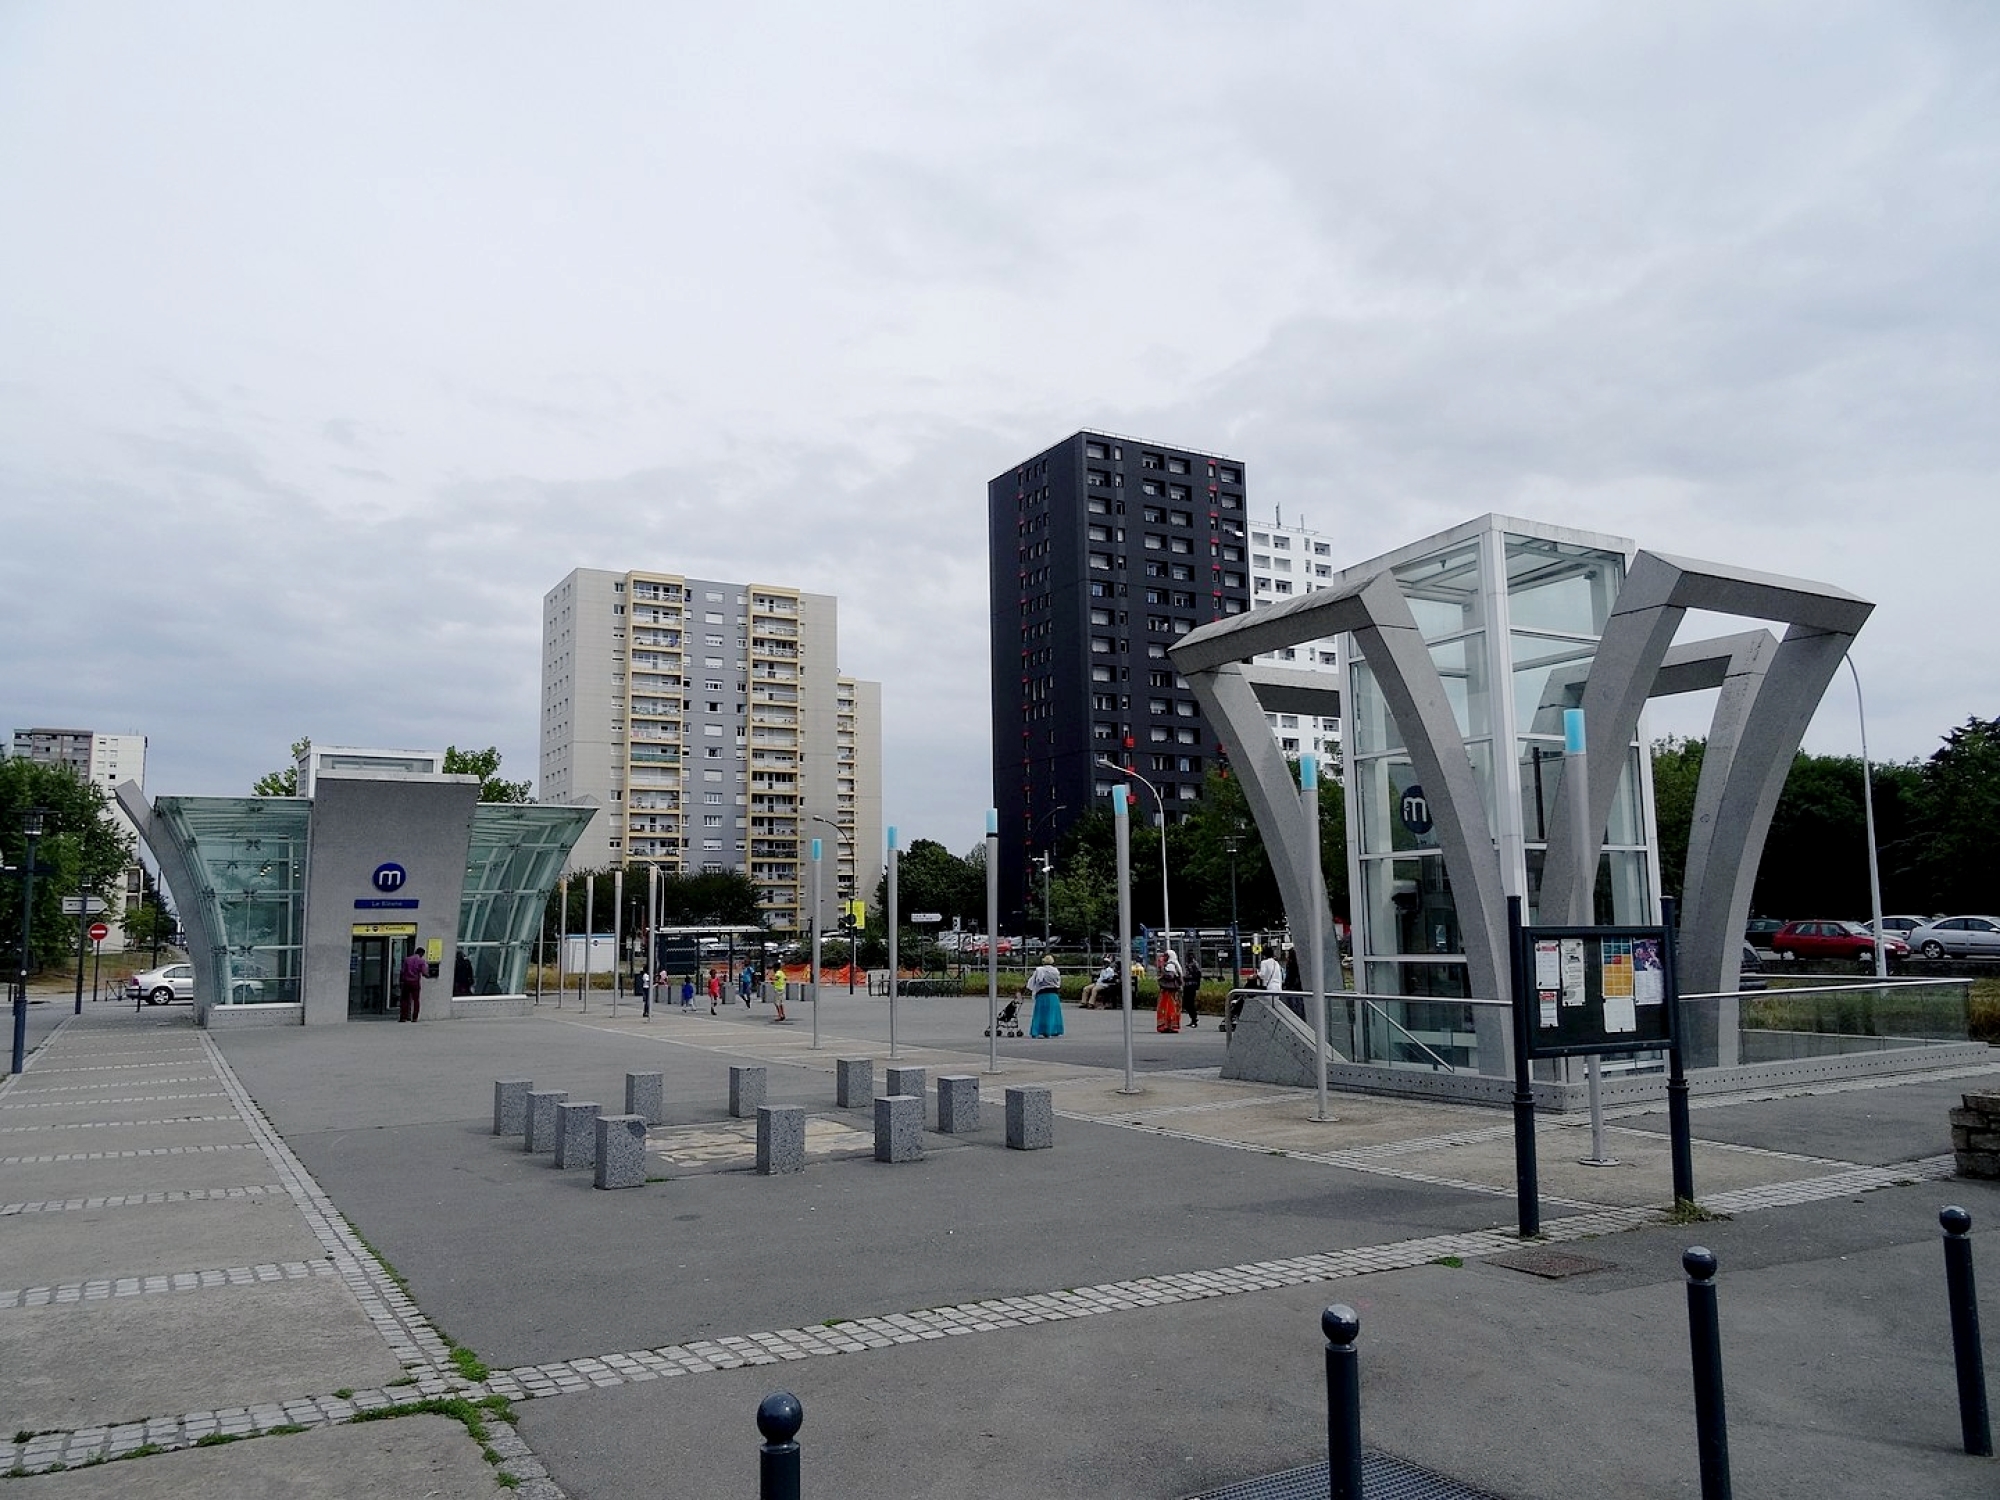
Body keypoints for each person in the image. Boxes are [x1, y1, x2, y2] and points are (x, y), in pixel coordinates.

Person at [1027, 958, 1064, 1037]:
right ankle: (1052, 1030)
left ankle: (1037, 1031)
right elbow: (1058, 983)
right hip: (1053, 995)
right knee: (1052, 1013)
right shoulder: (1056, 971)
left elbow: (1034, 981)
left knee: (1040, 1013)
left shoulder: (1040, 970)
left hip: (1042, 994)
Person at [398, 942, 427, 1023]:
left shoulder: (407, 959)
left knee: (404, 1000)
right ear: (421, 953)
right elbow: (424, 973)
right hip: (415, 982)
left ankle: (403, 1017)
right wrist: (428, 975)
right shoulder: (421, 961)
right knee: (416, 1000)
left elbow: (402, 971)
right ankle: (414, 1017)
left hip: (406, 982)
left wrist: (401, 981)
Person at [1156, 949, 1183, 1033]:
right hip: (1174, 991)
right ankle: (1172, 1025)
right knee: (1173, 1008)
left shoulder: (1170, 965)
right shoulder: (1176, 964)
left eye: (1166, 956)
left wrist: (1162, 968)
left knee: (1167, 1008)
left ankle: (1166, 1025)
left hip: (1168, 991)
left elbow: (1170, 976)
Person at [1182, 949, 1204, 1028]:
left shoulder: (1195, 964)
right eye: (1188, 955)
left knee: (1190, 1003)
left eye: (1191, 955)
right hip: (1187, 985)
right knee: (1185, 1003)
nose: (1189, 957)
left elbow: (1198, 975)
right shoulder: (1187, 963)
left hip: (1192, 985)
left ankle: (1194, 1019)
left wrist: (1197, 985)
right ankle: (1192, 1018)